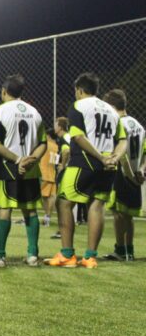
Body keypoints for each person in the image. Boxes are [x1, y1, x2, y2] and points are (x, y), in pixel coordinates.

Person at [46, 72, 128, 269]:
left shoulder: (79, 106)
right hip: (108, 167)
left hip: (85, 163)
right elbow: (123, 140)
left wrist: (99, 157)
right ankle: (90, 257)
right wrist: (114, 157)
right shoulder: (110, 109)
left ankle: (67, 254)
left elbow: (78, 137)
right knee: (96, 205)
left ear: (79, 90)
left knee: (64, 202)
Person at [0, 74, 47, 268]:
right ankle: (32, 254)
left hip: (7, 168)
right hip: (31, 171)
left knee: (4, 210)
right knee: (30, 211)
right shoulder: (35, 112)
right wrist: (31, 160)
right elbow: (43, 144)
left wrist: (17, 159)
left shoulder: (0, 111)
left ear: (4, 91)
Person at [102, 89, 145, 261]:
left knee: (118, 213)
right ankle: (130, 251)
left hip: (123, 175)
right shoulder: (138, 125)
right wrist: (141, 170)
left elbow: (122, 155)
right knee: (128, 215)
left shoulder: (118, 124)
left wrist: (130, 176)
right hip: (136, 174)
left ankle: (120, 250)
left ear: (112, 106)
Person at [50, 117, 71, 239]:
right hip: (70, 171)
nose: (54, 127)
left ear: (60, 127)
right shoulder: (67, 137)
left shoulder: (64, 139)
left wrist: (63, 165)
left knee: (62, 202)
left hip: (66, 173)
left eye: (55, 124)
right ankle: (63, 229)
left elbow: (66, 151)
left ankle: (62, 230)